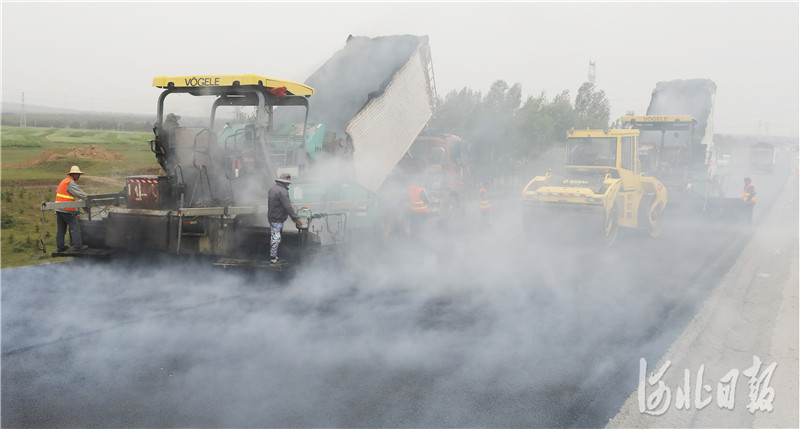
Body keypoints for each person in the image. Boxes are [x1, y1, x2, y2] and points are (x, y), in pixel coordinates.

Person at [267, 173, 301, 263]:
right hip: (277, 218)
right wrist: (296, 219)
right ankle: (273, 258)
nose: (288, 185)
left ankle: (274, 256)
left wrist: (292, 204)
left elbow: (282, 202)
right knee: (276, 238)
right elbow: (287, 206)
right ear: (286, 182)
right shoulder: (283, 191)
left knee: (275, 237)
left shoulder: (272, 189)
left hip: (272, 216)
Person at [55, 165, 89, 252]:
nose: (79, 176)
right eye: (78, 174)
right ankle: (78, 246)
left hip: (59, 209)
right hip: (66, 209)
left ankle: (60, 247)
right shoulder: (70, 183)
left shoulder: (64, 181)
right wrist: (89, 198)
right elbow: (79, 193)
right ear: (73, 174)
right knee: (75, 227)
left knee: (61, 229)